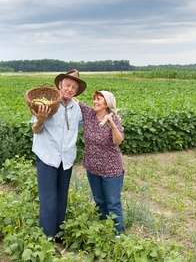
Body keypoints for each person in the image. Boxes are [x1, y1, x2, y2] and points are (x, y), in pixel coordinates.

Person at [30, 70, 86, 253]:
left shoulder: (76, 108)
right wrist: (41, 119)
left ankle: (59, 233)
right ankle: (47, 241)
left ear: (76, 92)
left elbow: (81, 125)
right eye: (67, 85)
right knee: (49, 201)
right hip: (48, 157)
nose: (70, 89)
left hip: (66, 159)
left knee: (62, 199)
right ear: (59, 86)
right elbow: (36, 130)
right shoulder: (46, 104)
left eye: (74, 87)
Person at [73, 90, 125, 236]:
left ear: (107, 103)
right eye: (94, 99)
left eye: (99, 99)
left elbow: (118, 141)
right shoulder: (89, 114)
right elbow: (76, 101)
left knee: (113, 203)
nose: (95, 102)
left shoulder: (113, 119)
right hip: (92, 168)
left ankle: (118, 233)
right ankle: (104, 229)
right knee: (100, 201)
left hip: (111, 170)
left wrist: (113, 125)